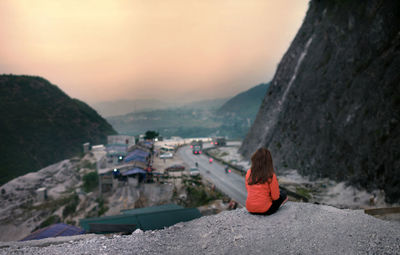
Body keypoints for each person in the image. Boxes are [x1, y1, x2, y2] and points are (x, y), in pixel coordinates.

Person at [245, 148, 288, 215]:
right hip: (266, 210)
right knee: (283, 193)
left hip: (250, 208)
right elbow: (275, 197)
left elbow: (249, 190)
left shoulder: (249, 172)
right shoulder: (270, 174)